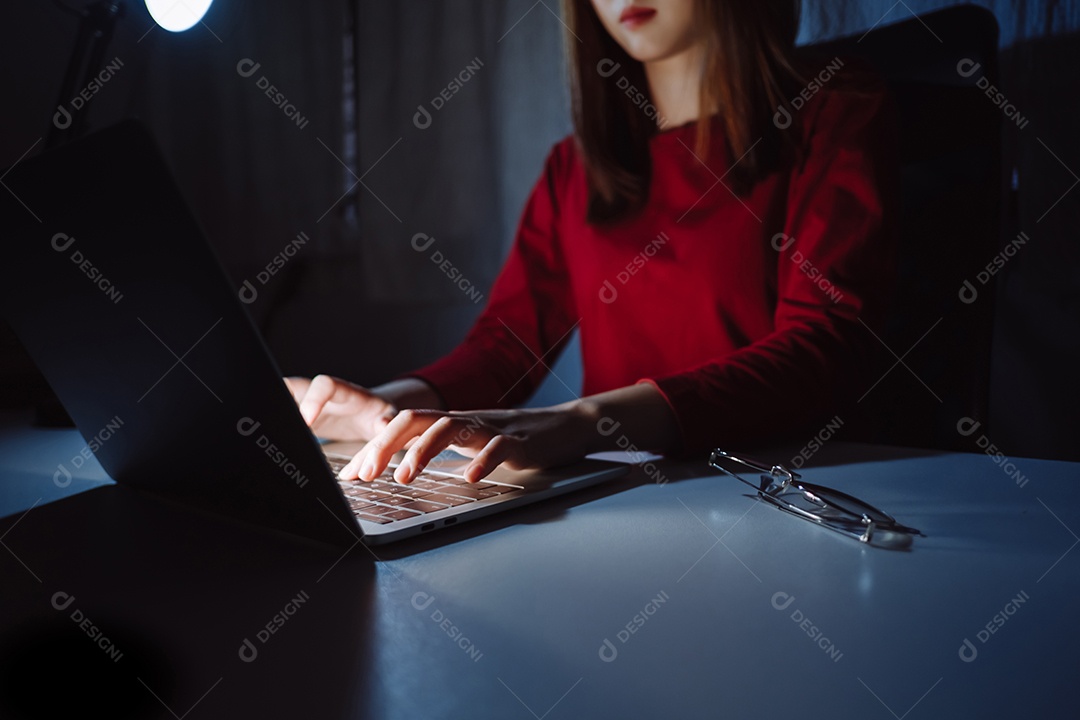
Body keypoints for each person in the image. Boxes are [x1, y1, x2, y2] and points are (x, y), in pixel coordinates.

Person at [286, 0, 896, 485]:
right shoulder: (573, 170)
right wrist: (389, 408)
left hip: (785, 489)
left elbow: (824, 347)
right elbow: (507, 346)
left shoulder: (832, 109)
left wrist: (583, 420)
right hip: (627, 501)